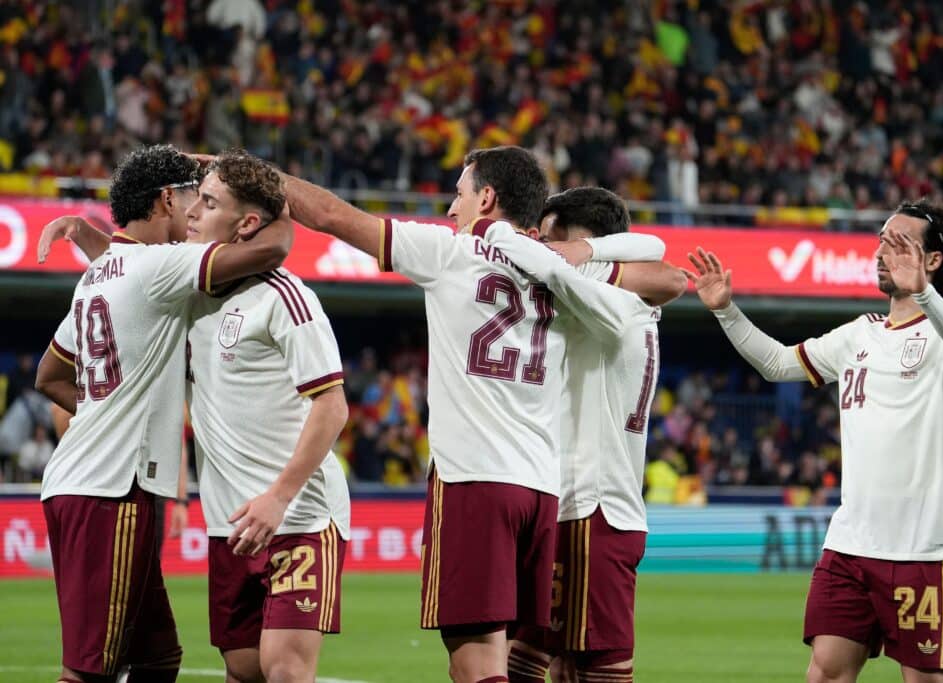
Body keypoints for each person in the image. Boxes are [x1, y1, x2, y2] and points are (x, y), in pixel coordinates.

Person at [277, 145, 661, 683]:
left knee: (476, 666)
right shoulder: (555, 272)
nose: (450, 211)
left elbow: (332, 216)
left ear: (486, 197)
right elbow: (662, 269)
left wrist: (255, 175)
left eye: (457, 195)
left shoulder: (451, 251)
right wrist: (583, 253)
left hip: (474, 480)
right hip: (540, 489)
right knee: (517, 663)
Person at [41, 150, 351, 683]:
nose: (192, 213)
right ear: (166, 199)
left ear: (245, 222)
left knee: (199, 664)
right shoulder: (180, 288)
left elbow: (333, 404)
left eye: (207, 202)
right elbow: (267, 241)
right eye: (193, 197)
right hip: (180, 507)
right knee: (216, 670)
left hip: (295, 516)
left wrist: (88, 232)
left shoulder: (276, 295)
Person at [683, 200, 943, 683]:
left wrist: (927, 297)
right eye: (880, 241)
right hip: (850, 545)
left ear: (932, 260)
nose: (881, 252)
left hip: (925, 549)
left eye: (898, 242)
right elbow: (778, 364)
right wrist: (726, 311)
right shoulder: (858, 335)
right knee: (825, 672)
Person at [503, 188, 672, 683]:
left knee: (590, 667)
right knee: (552, 663)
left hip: (590, 511)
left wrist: (504, 237)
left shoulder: (608, 302)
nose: (544, 245)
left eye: (555, 236)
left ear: (588, 241)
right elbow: (654, 253)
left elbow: (657, 253)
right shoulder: (620, 299)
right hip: (585, 506)